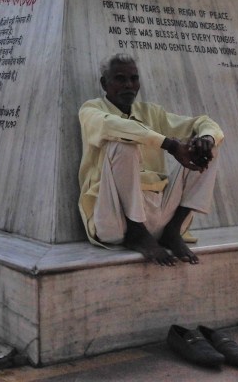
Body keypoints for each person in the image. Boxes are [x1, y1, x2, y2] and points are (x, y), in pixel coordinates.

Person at [78, 55, 224, 265]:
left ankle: (173, 230)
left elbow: (203, 122)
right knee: (123, 142)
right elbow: (115, 127)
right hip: (114, 219)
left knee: (208, 145)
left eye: (133, 78)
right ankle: (136, 231)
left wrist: (207, 138)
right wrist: (170, 145)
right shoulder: (91, 110)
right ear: (104, 83)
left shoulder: (151, 112)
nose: (128, 85)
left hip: (158, 216)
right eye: (120, 79)